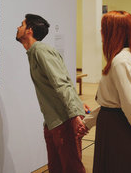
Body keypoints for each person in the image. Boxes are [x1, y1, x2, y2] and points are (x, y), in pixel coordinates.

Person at [83, 10, 131, 173]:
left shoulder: (119, 62)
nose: (100, 32)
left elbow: (129, 107)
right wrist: (87, 123)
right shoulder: (126, 58)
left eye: (104, 28)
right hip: (118, 125)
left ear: (113, 32)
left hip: (117, 129)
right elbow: (111, 104)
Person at [16, 13, 87, 173]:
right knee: (56, 168)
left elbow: (61, 83)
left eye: (21, 24)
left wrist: (75, 114)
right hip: (53, 122)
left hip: (64, 121)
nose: (18, 27)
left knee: (72, 168)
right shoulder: (34, 52)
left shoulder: (41, 51)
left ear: (29, 30)